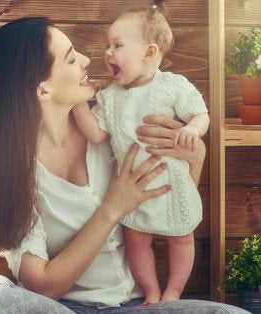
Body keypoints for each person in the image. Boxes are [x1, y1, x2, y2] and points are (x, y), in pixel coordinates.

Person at [0, 16, 247, 313]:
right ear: (42, 90)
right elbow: (43, 285)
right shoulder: (12, 173)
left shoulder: (116, 128)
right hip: (64, 308)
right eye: (70, 59)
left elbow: (167, 201)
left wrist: (194, 154)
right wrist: (112, 207)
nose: (86, 59)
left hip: (141, 305)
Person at [72, 0, 210, 304]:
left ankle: (173, 291)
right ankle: (151, 290)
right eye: (108, 44)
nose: (108, 52)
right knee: (136, 241)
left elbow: (201, 114)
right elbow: (95, 133)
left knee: (183, 239)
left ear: (150, 52)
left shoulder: (173, 86)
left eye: (118, 45)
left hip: (172, 184)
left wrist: (191, 130)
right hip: (133, 187)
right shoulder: (109, 97)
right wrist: (77, 101)